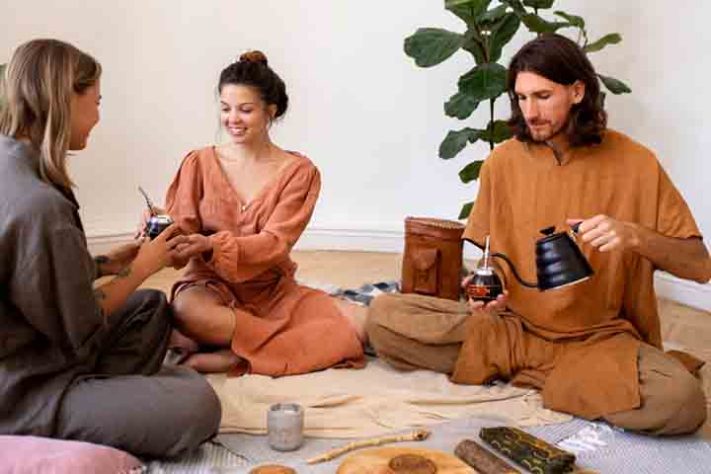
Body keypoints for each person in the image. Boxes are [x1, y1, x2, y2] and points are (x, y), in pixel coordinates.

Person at [366, 33, 711, 435]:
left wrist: (634, 236)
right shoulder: (502, 162)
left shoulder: (637, 163)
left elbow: (700, 266)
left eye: (543, 97)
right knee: (384, 318)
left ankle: (542, 375)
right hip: (512, 331)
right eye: (522, 98)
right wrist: (487, 290)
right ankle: (572, 383)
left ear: (577, 91)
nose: (530, 112)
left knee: (680, 402)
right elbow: (495, 258)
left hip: (598, 340)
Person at [0, 39, 221, 457]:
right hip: (22, 391)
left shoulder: (11, 163)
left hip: (36, 346)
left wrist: (104, 262)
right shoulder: (38, 204)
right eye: (96, 101)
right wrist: (143, 266)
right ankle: (66, 415)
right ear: (66, 98)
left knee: (149, 308)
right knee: (197, 403)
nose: (99, 116)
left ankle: (102, 401)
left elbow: (28, 274)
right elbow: (83, 321)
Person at [163, 51, 365, 375]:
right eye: (225, 108)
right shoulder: (198, 163)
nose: (233, 119)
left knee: (353, 327)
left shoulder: (299, 172)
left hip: (271, 291)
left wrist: (213, 244)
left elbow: (275, 243)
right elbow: (182, 229)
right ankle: (268, 346)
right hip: (208, 285)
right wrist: (161, 227)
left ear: (270, 112)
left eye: (245, 110)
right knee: (187, 312)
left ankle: (237, 353)